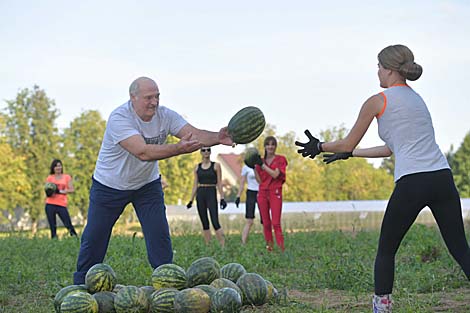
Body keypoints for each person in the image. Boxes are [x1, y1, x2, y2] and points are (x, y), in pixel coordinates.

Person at [295, 44, 470, 312]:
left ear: (388, 70)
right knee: (460, 249)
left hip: (413, 182)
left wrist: (320, 146)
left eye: (378, 66)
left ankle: (382, 307)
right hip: (442, 179)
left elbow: (346, 141)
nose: (377, 71)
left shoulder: (379, 100)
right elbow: (390, 149)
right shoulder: (417, 100)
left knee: (386, 251)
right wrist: (352, 155)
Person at [73, 77, 233, 284]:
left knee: (159, 235)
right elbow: (143, 152)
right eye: (149, 97)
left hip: (146, 185)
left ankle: (168, 283)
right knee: (95, 236)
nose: (154, 102)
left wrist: (217, 138)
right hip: (109, 186)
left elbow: (194, 134)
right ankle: (81, 284)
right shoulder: (120, 118)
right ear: (133, 98)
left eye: (157, 97)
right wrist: (177, 148)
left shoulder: (165, 116)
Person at [252, 136, 288, 252]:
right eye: (268, 144)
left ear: (275, 146)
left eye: (272, 144)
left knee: (276, 223)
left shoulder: (280, 159)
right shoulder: (260, 162)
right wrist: (254, 167)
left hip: (275, 191)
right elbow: (259, 181)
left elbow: (275, 175)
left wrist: (262, 166)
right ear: (265, 147)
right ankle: (270, 248)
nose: (270, 147)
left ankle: (281, 249)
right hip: (262, 193)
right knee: (266, 223)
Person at [186, 147, 227, 247]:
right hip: (200, 194)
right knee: (204, 221)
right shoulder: (197, 167)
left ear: (210, 151)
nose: (206, 152)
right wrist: (191, 200)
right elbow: (195, 184)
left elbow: (219, 183)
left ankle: (223, 245)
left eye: (208, 150)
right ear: (200, 152)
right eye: (203, 150)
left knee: (215, 221)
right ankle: (208, 246)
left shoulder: (216, 166)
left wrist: (222, 198)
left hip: (211, 192)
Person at [44, 159, 78, 239]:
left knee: (68, 224)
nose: (58, 168)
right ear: (53, 168)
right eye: (56, 166)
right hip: (50, 204)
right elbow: (47, 189)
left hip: (61, 204)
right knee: (52, 226)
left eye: (59, 166)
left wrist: (62, 191)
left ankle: (75, 238)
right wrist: (50, 191)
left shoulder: (66, 177)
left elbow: (72, 189)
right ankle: (54, 240)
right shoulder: (50, 178)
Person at [236, 163, 260, 244]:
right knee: (249, 220)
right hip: (251, 193)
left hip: (261, 192)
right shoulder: (246, 167)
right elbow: (242, 182)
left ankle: (269, 241)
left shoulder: (261, 165)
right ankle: (243, 242)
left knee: (265, 220)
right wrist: (238, 196)